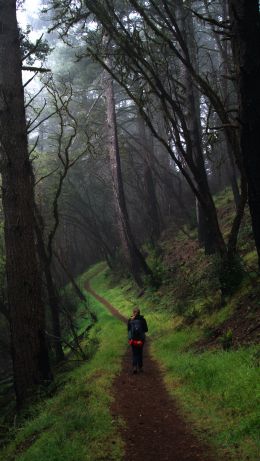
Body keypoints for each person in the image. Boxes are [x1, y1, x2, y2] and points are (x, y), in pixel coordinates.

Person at [128, 307, 148, 374]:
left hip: (133, 340)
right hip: (141, 340)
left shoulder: (130, 320)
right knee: (140, 353)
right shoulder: (143, 320)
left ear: (133, 312)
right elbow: (146, 330)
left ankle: (134, 367)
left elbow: (128, 330)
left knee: (134, 353)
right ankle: (140, 367)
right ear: (139, 313)